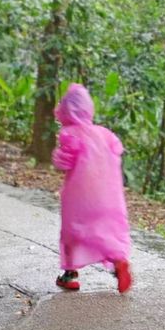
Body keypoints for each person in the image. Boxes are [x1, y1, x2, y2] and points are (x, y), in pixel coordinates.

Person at [51, 83, 132, 293]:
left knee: (73, 232)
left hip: (79, 199)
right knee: (108, 232)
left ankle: (70, 276)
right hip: (109, 199)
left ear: (66, 111)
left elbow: (63, 163)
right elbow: (117, 152)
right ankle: (118, 262)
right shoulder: (106, 134)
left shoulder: (70, 134)